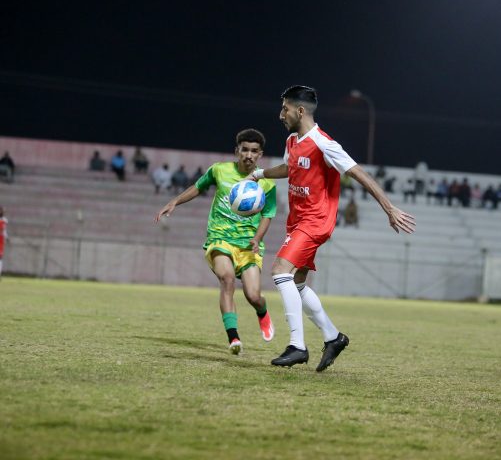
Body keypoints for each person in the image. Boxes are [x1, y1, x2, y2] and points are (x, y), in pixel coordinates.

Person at [248, 85, 415, 372]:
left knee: (279, 271)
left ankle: (297, 346)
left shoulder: (324, 144)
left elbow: (359, 173)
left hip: (316, 220)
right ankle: (333, 337)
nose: (281, 114)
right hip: (297, 219)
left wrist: (389, 208)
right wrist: (259, 174)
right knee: (297, 284)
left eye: (285, 109)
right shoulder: (292, 140)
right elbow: (289, 168)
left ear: (300, 111)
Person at [155, 128, 277, 354]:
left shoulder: (267, 183)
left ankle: (262, 312)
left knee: (253, 296)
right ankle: (233, 338)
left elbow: (268, 215)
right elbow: (198, 187)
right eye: (245, 150)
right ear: (237, 150)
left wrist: (257, 238)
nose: (249, 155)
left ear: (260, 154)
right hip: (219, 238)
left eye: (254, 151)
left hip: (248, 245)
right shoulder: (219, 170)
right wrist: (175, 201)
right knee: (227, 279)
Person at [0, 206, 7, 279]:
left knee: (0, 257)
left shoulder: (4, 220)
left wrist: (6, 237)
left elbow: (3, 230)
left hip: (1, 240)